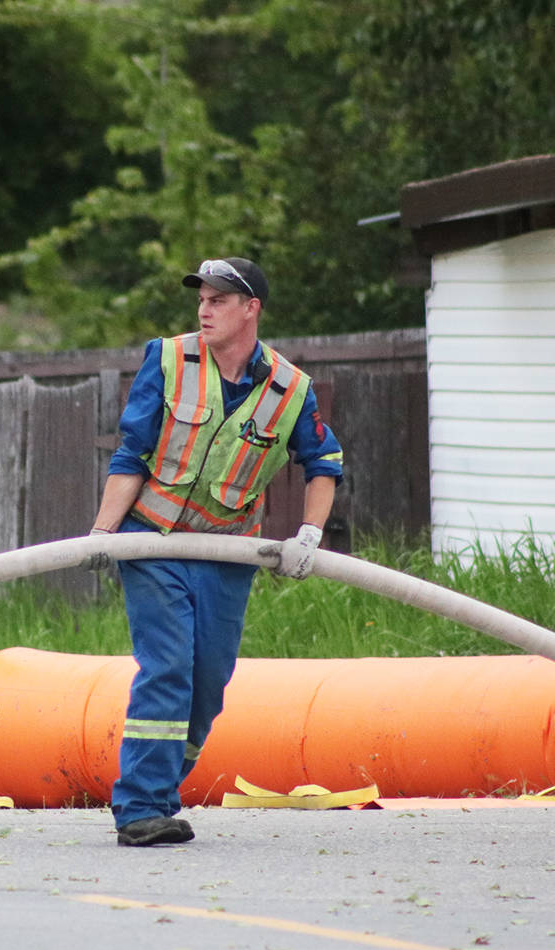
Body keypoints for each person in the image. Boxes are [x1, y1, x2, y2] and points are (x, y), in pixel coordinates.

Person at [89, 257, 344, 847]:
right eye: (201, 299)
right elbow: (132, 452)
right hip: (150, 540)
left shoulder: (290, 390)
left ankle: (159, 787)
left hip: (228, 554)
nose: (204, 310)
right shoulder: (168, 358)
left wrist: (309, 533)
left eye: (219, 300)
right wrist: (104, 535)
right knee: (170, 665)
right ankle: (140, 809)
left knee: (208, 684)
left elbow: (324, 465)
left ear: (251, 309)